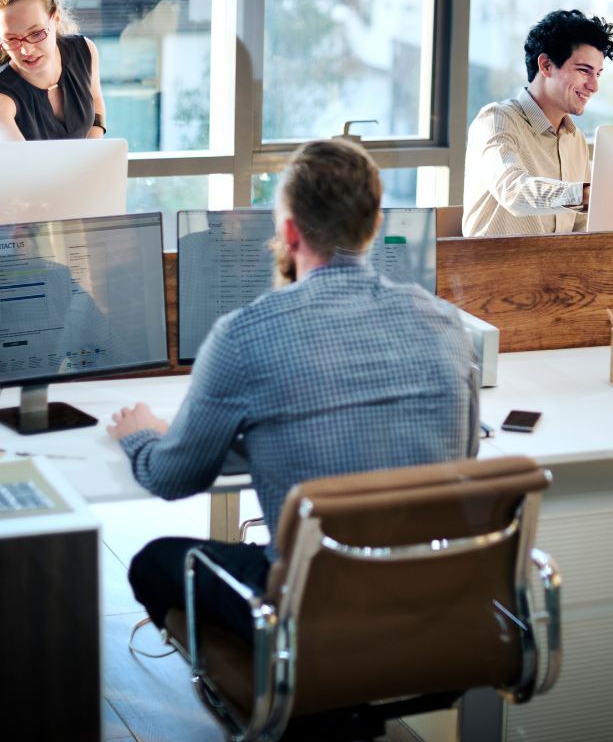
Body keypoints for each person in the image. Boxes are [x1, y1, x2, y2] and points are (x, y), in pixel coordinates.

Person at [108, 138, 478, 641]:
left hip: (309, 608)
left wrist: (142, 434)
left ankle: (270, 692)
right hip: (427, 596)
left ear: (287, 231)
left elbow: (174, 479)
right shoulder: (446, 323)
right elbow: (466, 453)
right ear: (374, 227)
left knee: (154, 561)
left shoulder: (244, 335)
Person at [463, 8, 613, 237]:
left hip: (555, 271)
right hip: (494, 270)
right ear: (546, 65)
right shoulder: (496, 120)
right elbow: (513, 191)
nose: (594, 86)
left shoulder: (574, 139)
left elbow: (581, 228)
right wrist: (585, 196)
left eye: (598, 74)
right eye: (584, 70)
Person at [0, 0, 107, 141]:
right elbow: (24, 164)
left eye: (36, 33)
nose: (26, 51)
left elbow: (95, 100)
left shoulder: (84, 50)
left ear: (56, 18)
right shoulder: (2, 97)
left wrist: (93, 152)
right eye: (11, 39)